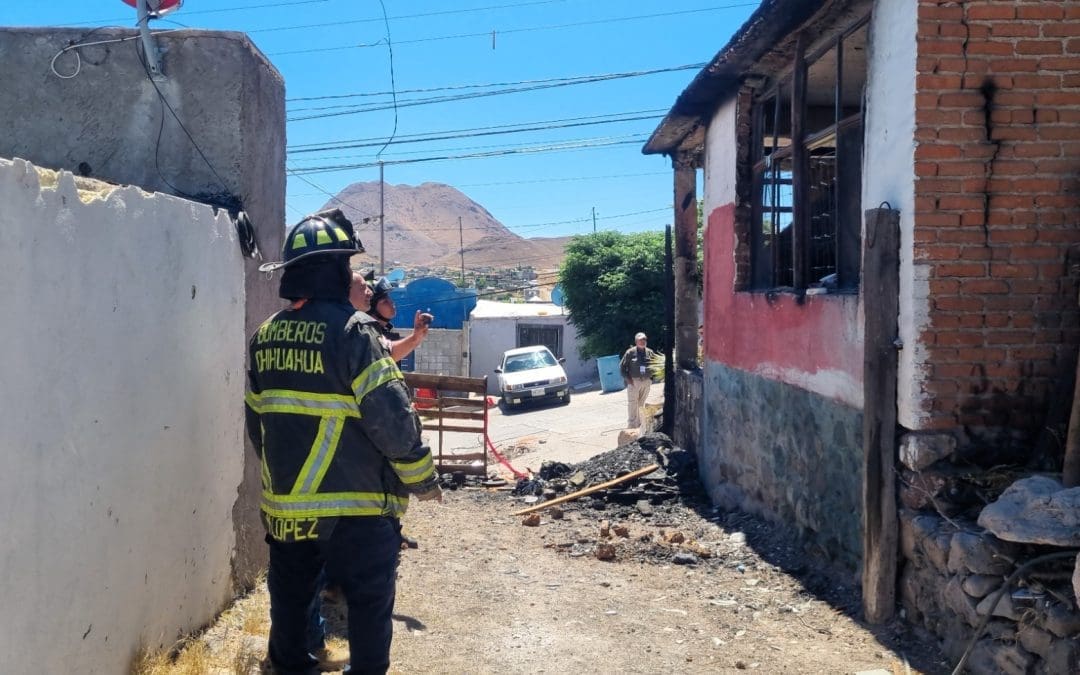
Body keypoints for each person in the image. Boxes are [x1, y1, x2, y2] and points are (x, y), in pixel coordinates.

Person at [246, 208, 441, 675]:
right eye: (350, 265)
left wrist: (285, 483)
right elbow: (392, 421)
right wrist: (423, 479)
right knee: (370, 607)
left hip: (288, 509)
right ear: (334, 270)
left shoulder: (264, 337)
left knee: (291, 609)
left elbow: (258, 423)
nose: (357, 275)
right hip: (357, 509)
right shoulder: (355, 333)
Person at [368, 277, 433, 362]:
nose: (391, 302)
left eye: (389, 298)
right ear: (370, 310)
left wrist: (417, 335)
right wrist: (415, 337)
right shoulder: (368, 339)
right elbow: (387, 355)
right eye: (384, 301)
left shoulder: (383, 333)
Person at [619, 332, 656, 429]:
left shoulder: (650, 352)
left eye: (644, 339)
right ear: (636, 342)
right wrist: (628, 379)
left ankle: (640, 424)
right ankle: (631, 424)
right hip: (634, 381)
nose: (643, 341)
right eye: (640, 340)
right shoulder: (630, 353)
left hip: (646, 381)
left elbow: (655, 365)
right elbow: (622, 367)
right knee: (633, 403)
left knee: (641, 403)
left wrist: (651, 378)